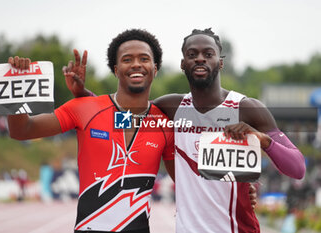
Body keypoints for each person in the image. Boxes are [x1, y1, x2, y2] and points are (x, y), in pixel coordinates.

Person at [73, 28, 306, 233]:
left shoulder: (247, 109)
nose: (200, 59)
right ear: (183, 64)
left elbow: (298, 168)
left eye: (208, 54)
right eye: (192, 55)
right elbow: (121, 116)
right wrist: (85, 96)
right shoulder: (170, 108)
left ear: (220, 62)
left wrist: (264, 141)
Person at [6, 29, 175, 233]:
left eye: (144, 58)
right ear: (115, 69)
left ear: (155, 69)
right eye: (127, 59)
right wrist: (16, 87)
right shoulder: (84, 108)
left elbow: (188, 185)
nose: (136, 64)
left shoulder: (165, 124)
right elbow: (22, 130)